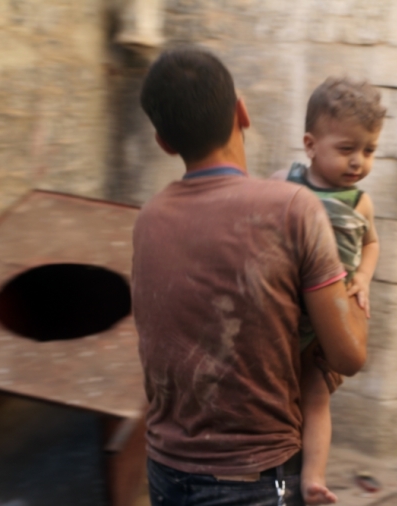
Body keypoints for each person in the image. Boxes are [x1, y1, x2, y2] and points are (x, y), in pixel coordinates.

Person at [132, 47, 368, 506]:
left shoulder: (148, 218)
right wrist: (357, 279)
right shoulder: (293, 208)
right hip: (263, 480)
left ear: (163, 141)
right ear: (242, 110)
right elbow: (349, 355)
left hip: (165, 473)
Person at [270, 77, 384, 504]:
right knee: (280, 402)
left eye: (369, 150)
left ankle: (312, 478)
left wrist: (364, 277)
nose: (358, 161)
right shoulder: (287, 182)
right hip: (282, 316)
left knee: (315, 396)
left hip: (327, 323)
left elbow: (372, 243)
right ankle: (276, 484)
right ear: (310, 144)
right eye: (346, 148)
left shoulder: (359, 202)